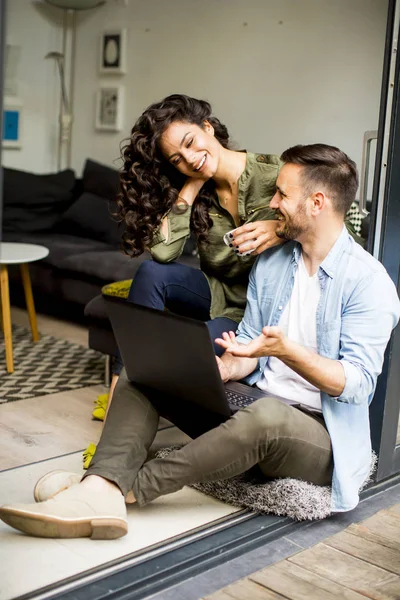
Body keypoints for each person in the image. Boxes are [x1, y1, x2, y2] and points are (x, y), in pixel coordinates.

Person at [1, 143, 398, 540]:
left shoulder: (368, 283)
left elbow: (356, 384)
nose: (273, 204)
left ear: (317, 202)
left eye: (282, 194)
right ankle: (103, 483)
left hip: (315, 434)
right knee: (148, 372)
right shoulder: (274, 263)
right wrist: (229, 365)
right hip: (255, 401)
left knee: (266, 418)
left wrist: (287, 351)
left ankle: (126, 490)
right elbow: (248, 346)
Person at [87, 94, 358, 458]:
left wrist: (279, 229)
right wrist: (194, 180)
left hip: (258, 317)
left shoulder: (276, 176)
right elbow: (163, 251)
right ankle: (123, 389)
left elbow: (334, 228)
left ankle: (130, 403)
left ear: (208, 127)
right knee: (152, 272)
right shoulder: (198, 188)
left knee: (176, 354)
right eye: (176, 159)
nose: (190, 158)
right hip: (218, 297)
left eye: (191, 143)